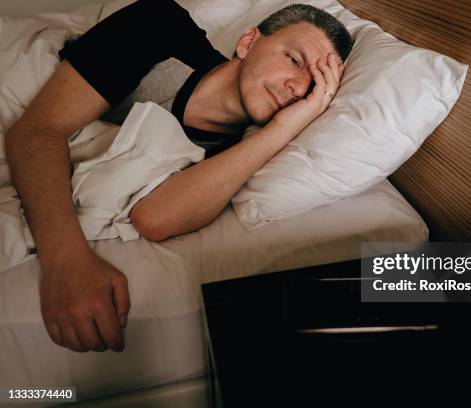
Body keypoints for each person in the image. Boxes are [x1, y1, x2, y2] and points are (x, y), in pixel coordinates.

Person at [4, 0, 352, 353]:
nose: (297, 86)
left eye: (313, 87)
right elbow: (37, 129)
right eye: (294, 60)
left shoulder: (237, 154)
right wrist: (65, 260)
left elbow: (154, 218)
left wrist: (281, 128)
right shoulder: (160, 26)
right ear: (248, 43)